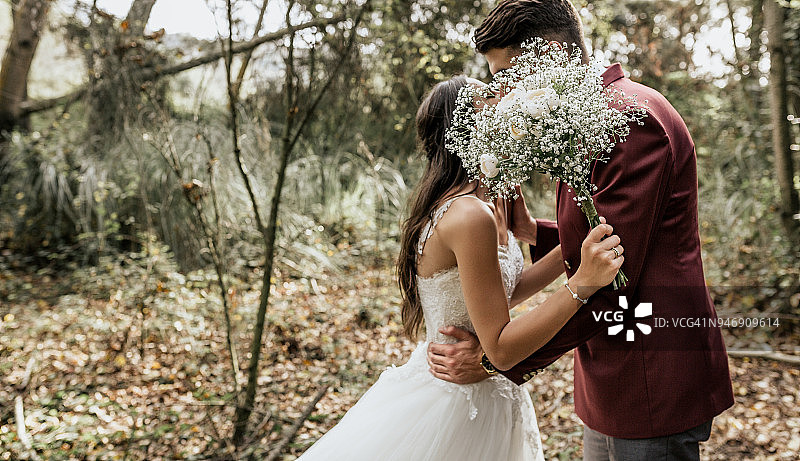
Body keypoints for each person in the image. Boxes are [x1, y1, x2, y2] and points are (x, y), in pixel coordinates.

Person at [427, 2, 735, 460]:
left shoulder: (630, 119)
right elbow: (602, 233)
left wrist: (495, 359)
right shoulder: (585, 117)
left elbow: (612, 268)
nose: (504, 93)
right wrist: (537, 232)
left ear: (550, 53)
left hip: (651, 373)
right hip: (611, 370)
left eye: (507, 73)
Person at [296, 75, 625, 460]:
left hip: (491, 394)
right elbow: (499, 347)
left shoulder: (493, 201)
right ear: (467, 126)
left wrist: (576, 245)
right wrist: (581, 284)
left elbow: (502, 292)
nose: (505, 96)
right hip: (455, 401)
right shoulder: (469, 215)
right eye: (489, 94)